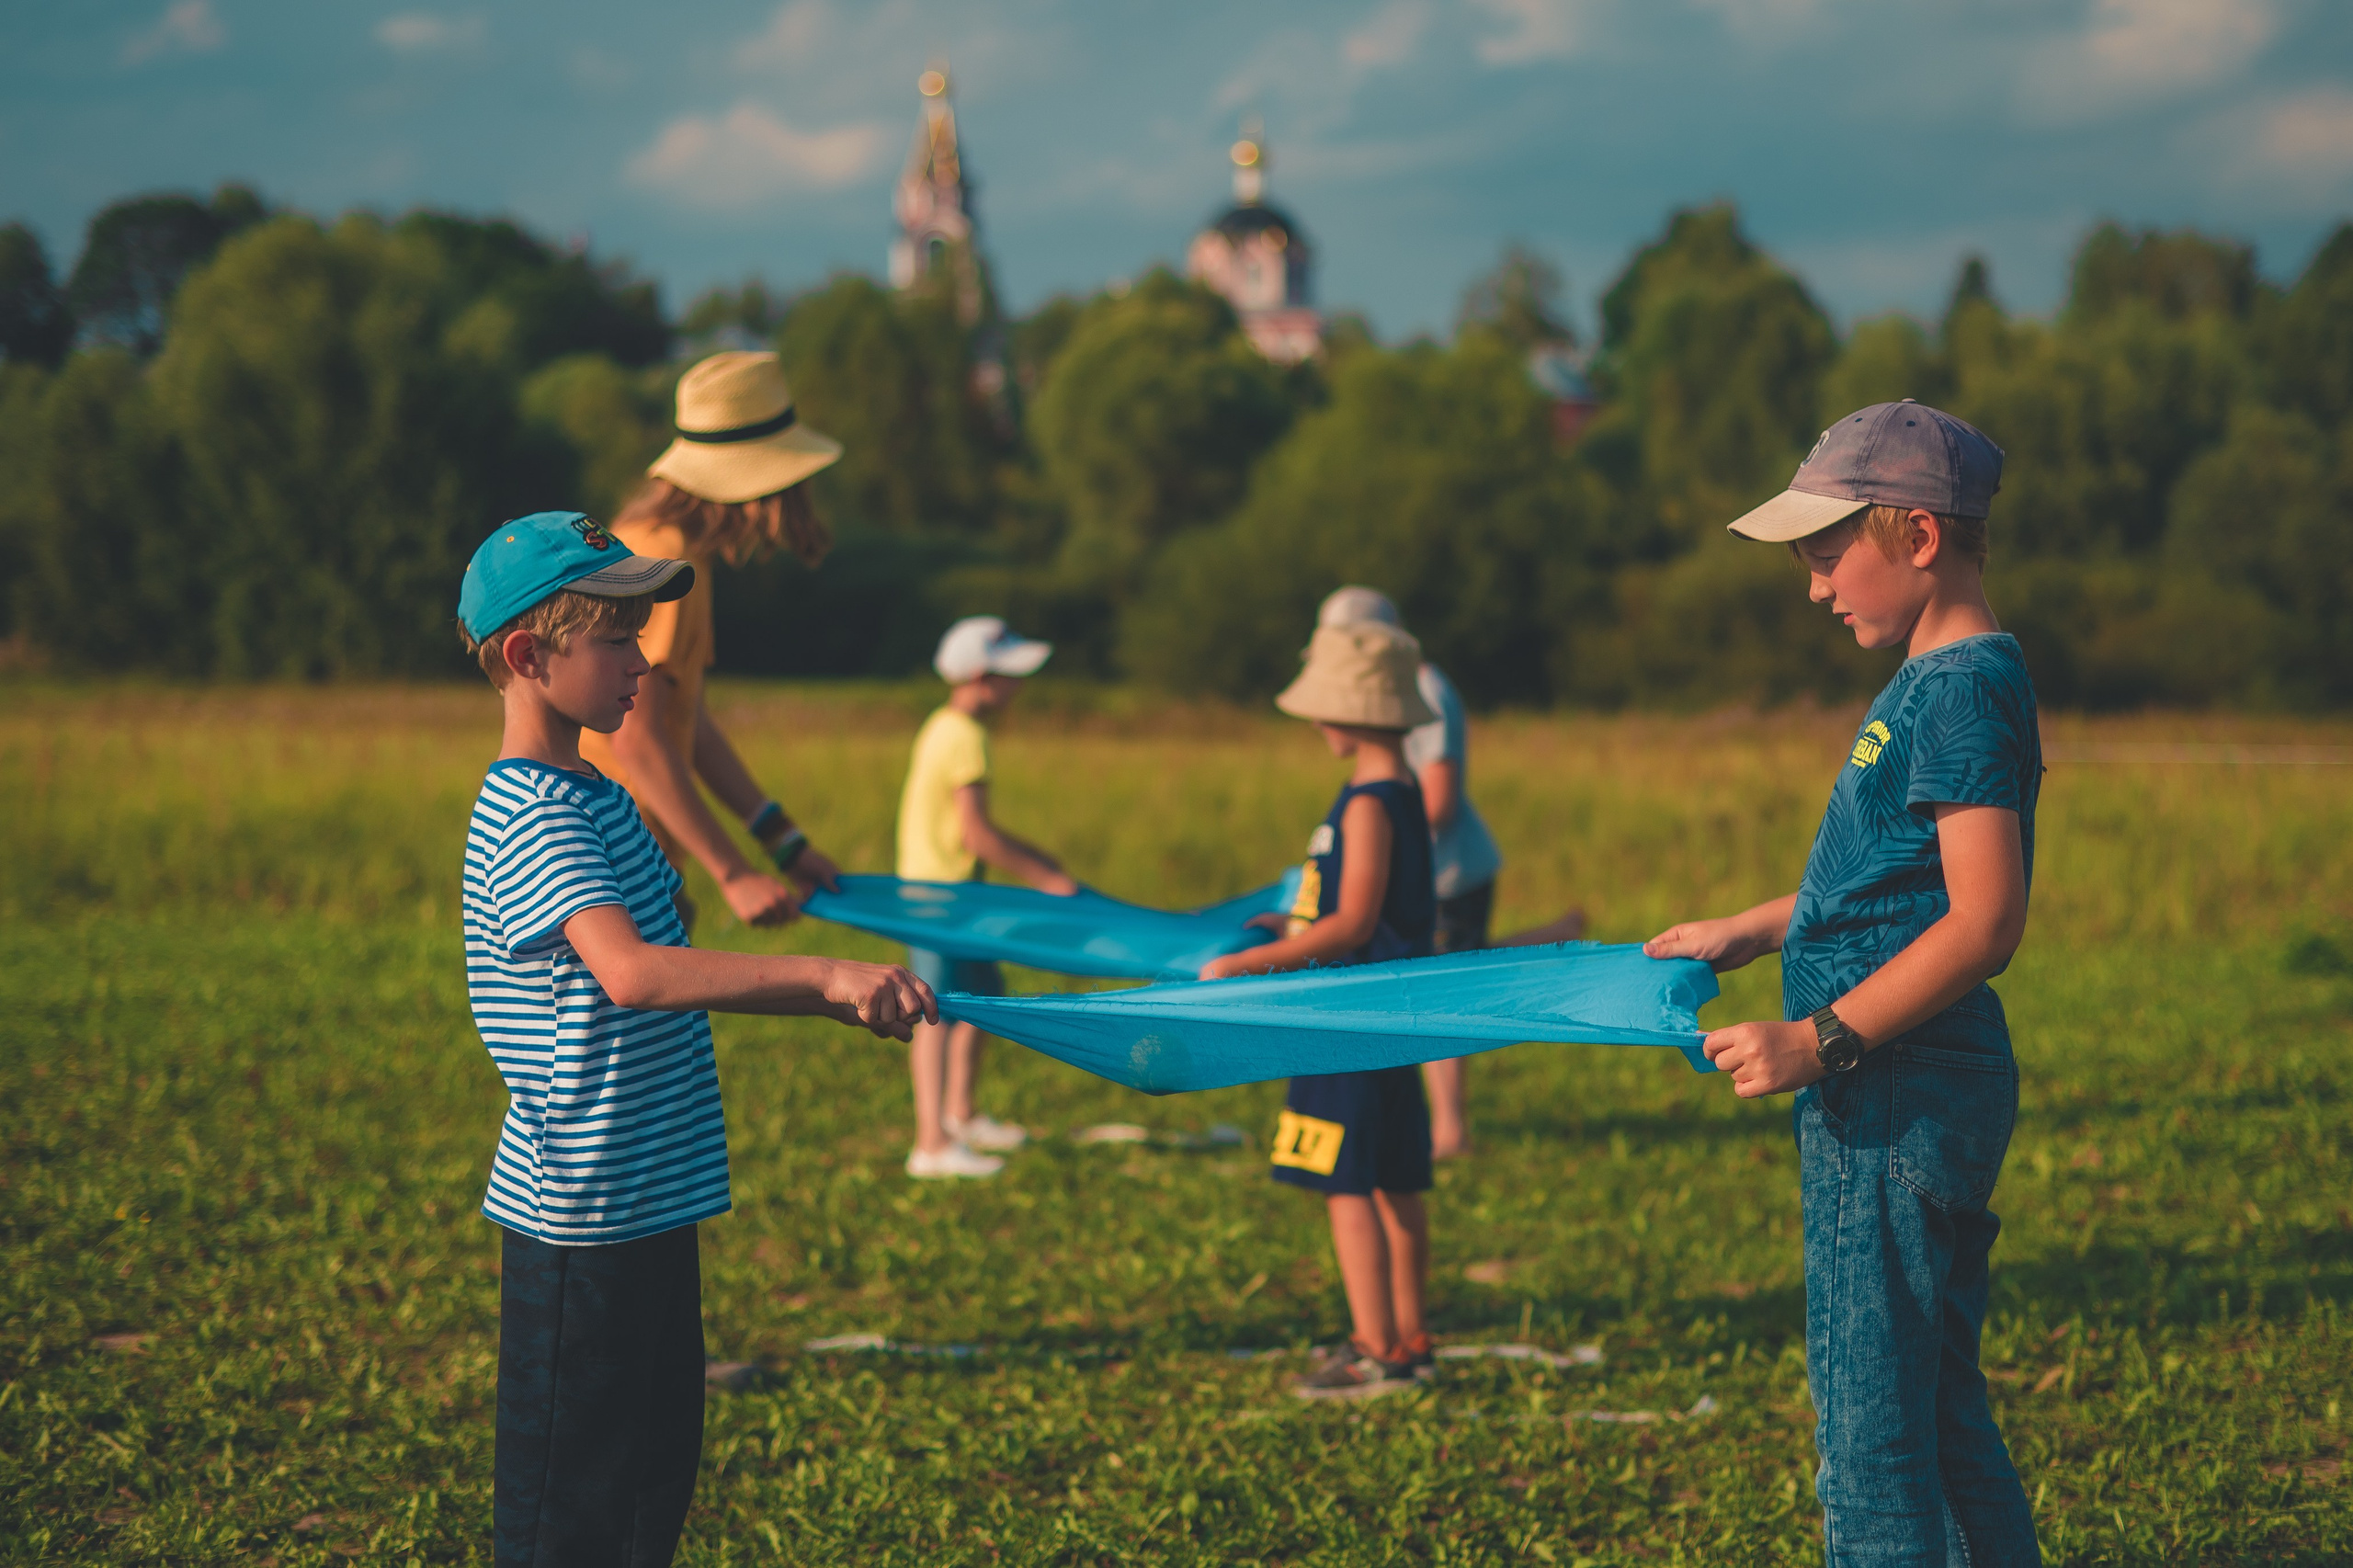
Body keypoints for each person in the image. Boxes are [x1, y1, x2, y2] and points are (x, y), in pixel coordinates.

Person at [454, 512, 934, 1567]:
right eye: (618, 640)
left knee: (645, 1482)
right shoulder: (535, 811)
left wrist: (827, 985)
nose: (642, 663)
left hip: (648, 1197)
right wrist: (824, 977)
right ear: (531, 657)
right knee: (566, 1509)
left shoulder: (597, 796)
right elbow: (632, 973)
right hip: (581, 1217)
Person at [1643, 402, 2042, 1564]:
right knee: (1937, 1414)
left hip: (1895, 1097)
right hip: (1907, 1084)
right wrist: (1753, 928)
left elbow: (1984, 920)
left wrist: (1820, 1038)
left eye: (1827, 556)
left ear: (1916, 534)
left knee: (1870, 1438)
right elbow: (1894, 885)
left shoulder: (1957, 688)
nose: (1816, 588)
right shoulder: (1940, 680)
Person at [1199, 620, 1439, 1399]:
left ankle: (1374, 1349)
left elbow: (1354, 924)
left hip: (1345, 1023)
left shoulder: (1368, 804)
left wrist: (1243, 964)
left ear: (1350, 713)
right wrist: (1286, 926)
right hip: (1390, 1020)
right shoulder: (1400, 794)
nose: (1314, 722)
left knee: (1348, 1185)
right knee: (1396, 1180)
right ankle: (1412, 1338)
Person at [578, 350, 847, 932]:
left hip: (632, 861)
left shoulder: (667, 545)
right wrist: (733, 874)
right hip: (620, 868)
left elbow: (689, 723)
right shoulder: (662, 557)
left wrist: (783, 844)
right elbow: (639, 740)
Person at [1313, 586, 1583, 1159]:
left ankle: (1451, 1130)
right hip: (1421, 876)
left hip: (1447, 875)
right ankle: (1557, 939)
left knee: (1442, 992)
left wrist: (1374, 844)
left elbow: (1438, 801)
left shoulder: (1427, 692)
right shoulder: (1402, 690)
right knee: (1457, 968)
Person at [897, 616, 1078, 1179]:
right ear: (980, 677)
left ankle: (963, 1115)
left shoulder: (942, 725)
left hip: (961, 895)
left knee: (982, 998)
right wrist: (1046, 873)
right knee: (935, 1013)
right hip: (938, 899)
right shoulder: (965, 736)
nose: (1018, 687)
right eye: (1009, 676)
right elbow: (976, 833)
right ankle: (930, 1145)